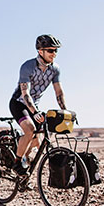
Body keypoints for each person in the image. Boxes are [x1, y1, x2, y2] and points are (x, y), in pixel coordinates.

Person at [9, 34, 67, 175]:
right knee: (30, 129)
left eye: (56, 51)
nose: (54, 54)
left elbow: (58, 92)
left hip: (34, 106)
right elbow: (25, 93)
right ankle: (16, 163)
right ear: (40, 51)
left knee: (41, 139)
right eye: (50, 51)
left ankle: (25, 162)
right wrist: (34, 112)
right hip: (19, 104)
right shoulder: (28, 66)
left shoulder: (55, 69)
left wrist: (65, 111)